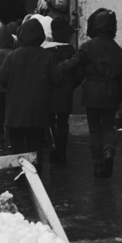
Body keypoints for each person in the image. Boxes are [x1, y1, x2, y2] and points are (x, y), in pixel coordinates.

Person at [58, 8, 122, 178]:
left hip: (92, 93)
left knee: (95, 129)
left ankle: (98, 165)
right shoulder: (119, 51)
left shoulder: (87, 47)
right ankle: (109, 150)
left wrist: (57, 68)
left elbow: (74, 63)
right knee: (108, 127)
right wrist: (120, 97)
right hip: (111, 92)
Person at [0, 18, 62, 158]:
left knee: (17, 151)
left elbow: (1, 79)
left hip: (15, 111)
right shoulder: (47, 56)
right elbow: (58, 80)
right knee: (35, 149)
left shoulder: (12, 56)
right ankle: (35, 175)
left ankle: (20, 174)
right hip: (38, 112)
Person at [45, 17, 77, 164]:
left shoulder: (45, 51)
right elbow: (78, 71)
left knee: (50, 121)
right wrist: (71, 85)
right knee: (63, 121)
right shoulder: (70, 50)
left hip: (49, 91)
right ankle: (62, 154)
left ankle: (52, 148)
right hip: (65, 91)